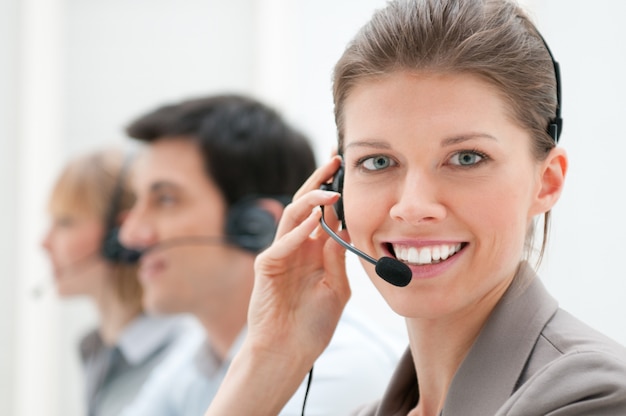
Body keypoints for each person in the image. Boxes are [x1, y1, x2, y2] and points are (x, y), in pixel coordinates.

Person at [203, 1, 626, 415]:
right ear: (338, 187)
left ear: (547, 181)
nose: (412, 207)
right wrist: (270, 359)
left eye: (466, 158)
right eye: (378, 162)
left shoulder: (593, 395)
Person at [118, 94, 401, 415]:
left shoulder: (344, 370)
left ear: (256, 224)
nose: (130, 235)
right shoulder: (195, 355)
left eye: (166, 200)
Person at [41, 148, 190, 416]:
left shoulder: (185, 356)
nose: (44, 242)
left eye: (65, 222)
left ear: (118, 235)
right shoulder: (95, 349)